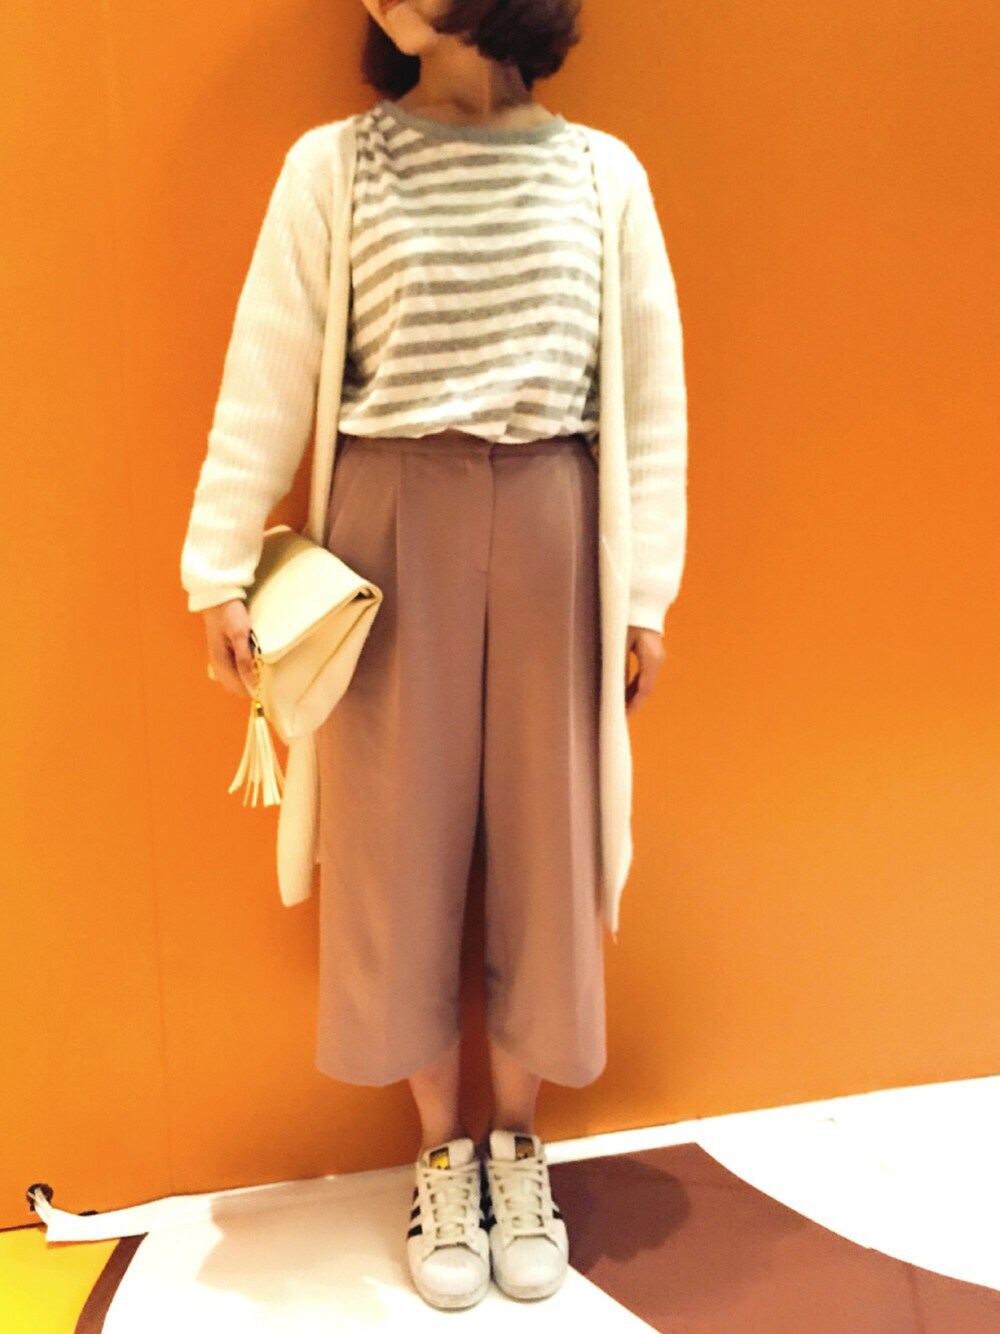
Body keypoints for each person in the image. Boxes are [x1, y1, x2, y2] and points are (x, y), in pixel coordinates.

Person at [181, 0, 687, 1312]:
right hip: (386, 530)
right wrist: (217, 563)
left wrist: (646, 591)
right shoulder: (335, 167)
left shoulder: (602, 175)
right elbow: (270, 367)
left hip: (556, 520)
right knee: (392, 848)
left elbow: (649, 400)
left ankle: (518, 1143)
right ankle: (441, 1153)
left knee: (549, 845)